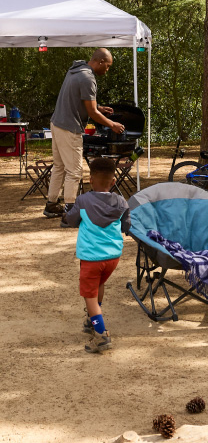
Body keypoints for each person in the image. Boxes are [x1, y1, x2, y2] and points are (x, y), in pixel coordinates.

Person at [44, 48, 125, 223]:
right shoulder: (88, 78)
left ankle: (51, 205)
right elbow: (93, 113)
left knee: (59, 166)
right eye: (108, 66)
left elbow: (81, 101)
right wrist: (112, 124)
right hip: (69, 127)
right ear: (101, 61)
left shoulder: (76, 69)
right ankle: (70, 213)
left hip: (57, 123)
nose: (107, 70)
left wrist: (99, 107)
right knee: (74, 171)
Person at [63, 158, 131, 353]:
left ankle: (101, 335)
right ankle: (93, 320)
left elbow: (71, 220)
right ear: (114, 181)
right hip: (112, 257)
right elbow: (127, 226)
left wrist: (67, 213)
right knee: (98, 285)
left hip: (91, 258)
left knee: (89, 296)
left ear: (90, 180)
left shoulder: (83, 200)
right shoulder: (121, 201)